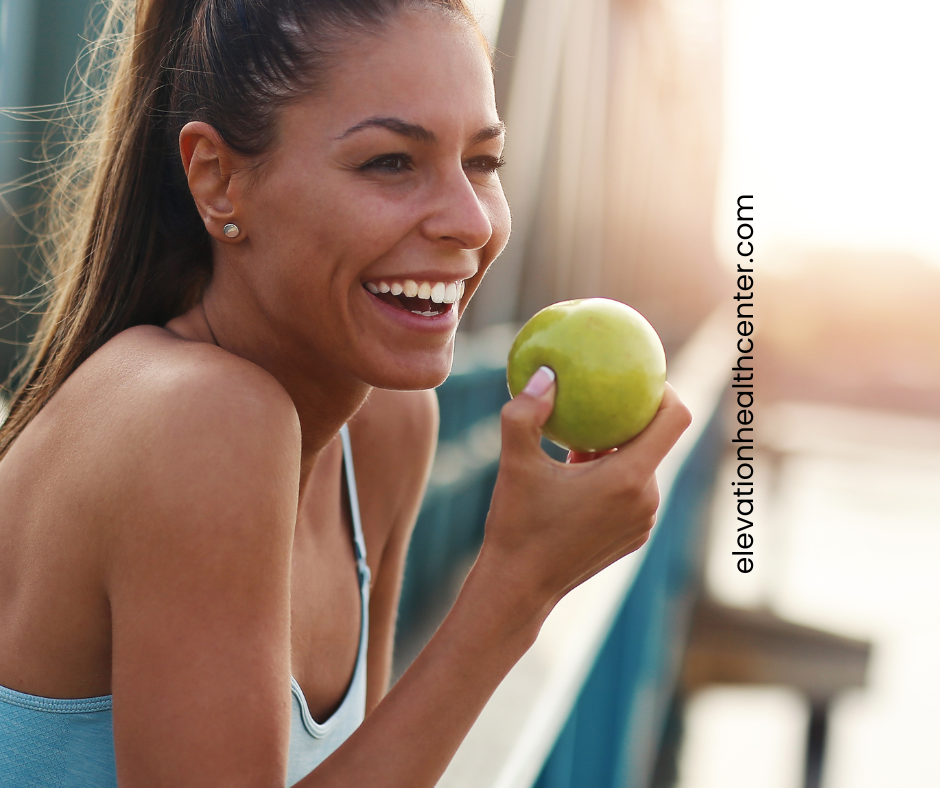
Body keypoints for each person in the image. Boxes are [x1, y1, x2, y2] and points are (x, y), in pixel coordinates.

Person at [0, 0, 692, 785]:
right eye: (391, 162)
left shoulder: (386, 426)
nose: (470, 222)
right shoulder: (200, 421)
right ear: (218, 181)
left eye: (482, 163)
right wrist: (518, 586)